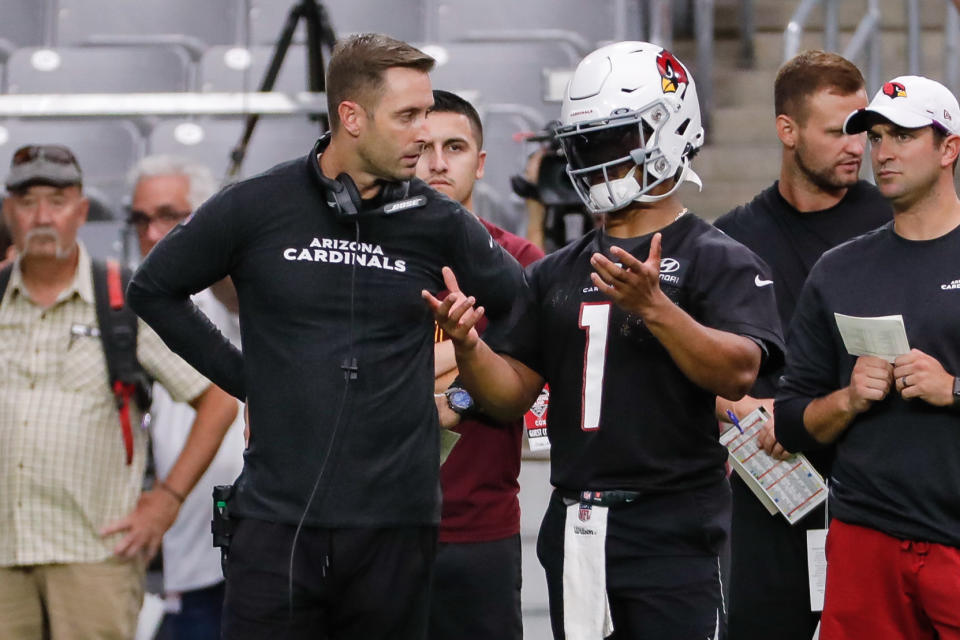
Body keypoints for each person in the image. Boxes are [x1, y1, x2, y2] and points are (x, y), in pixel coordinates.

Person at [126, 34, 524, 639]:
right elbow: (152, 289)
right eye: (408, 115)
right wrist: (249, 380)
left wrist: (467, 392)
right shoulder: (256, 205)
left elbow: (526, 312)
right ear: (352, 117)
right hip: (274, 530)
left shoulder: (441, 222)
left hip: (397, 531)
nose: (424, 133)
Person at [425, 41, 784, 640]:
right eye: (584, 144)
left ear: (670, 132)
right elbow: (510, 394)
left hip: (673, 525)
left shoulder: (717, 258)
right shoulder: (552, 271)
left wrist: (656, 310)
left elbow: (739, 373)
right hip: (576, 521)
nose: (597, 161)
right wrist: (470, 347)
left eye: (613, 141)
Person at [0, 144, 239, 640]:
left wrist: (165, 501)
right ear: (9, 212)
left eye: (58, 200)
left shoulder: (125, 298)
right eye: (27, 201)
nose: (42, 216)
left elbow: (219, 398)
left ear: (82, 211)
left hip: (93, 553)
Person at [712, 50, 892, 640]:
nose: (856, 146)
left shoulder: (896, 222)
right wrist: (739, 409)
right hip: (772, 490)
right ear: (787, 131)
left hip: (879, 492)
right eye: (838, 131)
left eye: (862, 130)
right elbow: (692, 360)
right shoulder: (732, 239)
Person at [775, 75, 960, 640]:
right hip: (865, 537)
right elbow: (790, 419)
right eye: (876, 137)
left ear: (949, 147)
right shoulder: (839, 270)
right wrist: (849, 399)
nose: (883, 153)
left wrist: (953, 388)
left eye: (902, 136)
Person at [416, 89, 543, 640]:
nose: (438, 163)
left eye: (455, 147)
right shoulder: (363, 257)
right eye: (422, 147)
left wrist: (441, 382)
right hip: (379, 529)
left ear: (480, 162)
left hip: (482, 531)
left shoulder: (521, 262)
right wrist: (463, 361)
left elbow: (520, 382)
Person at [128, 155, 246, 640]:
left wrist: (213, 248)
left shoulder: (233, 289)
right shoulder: (135, 302)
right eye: (140, 219)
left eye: (170, 217)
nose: (153, 233)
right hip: (182, 552)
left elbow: (238, 295)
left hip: (243, 552)